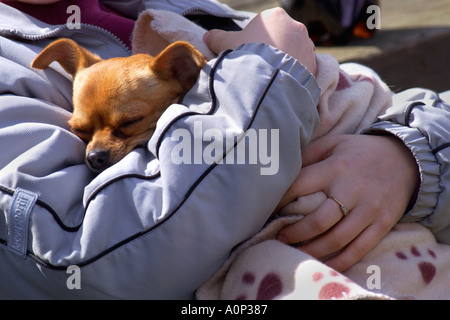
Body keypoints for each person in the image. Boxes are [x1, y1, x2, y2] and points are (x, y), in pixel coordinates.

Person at [0, 0, 319, 299]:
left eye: (128, 124)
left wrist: (369, 145)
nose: (96, 149)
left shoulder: (171, 5)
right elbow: (100, 257)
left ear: (183, 71)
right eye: (83, 131)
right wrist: (268, 71)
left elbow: (335, 78)